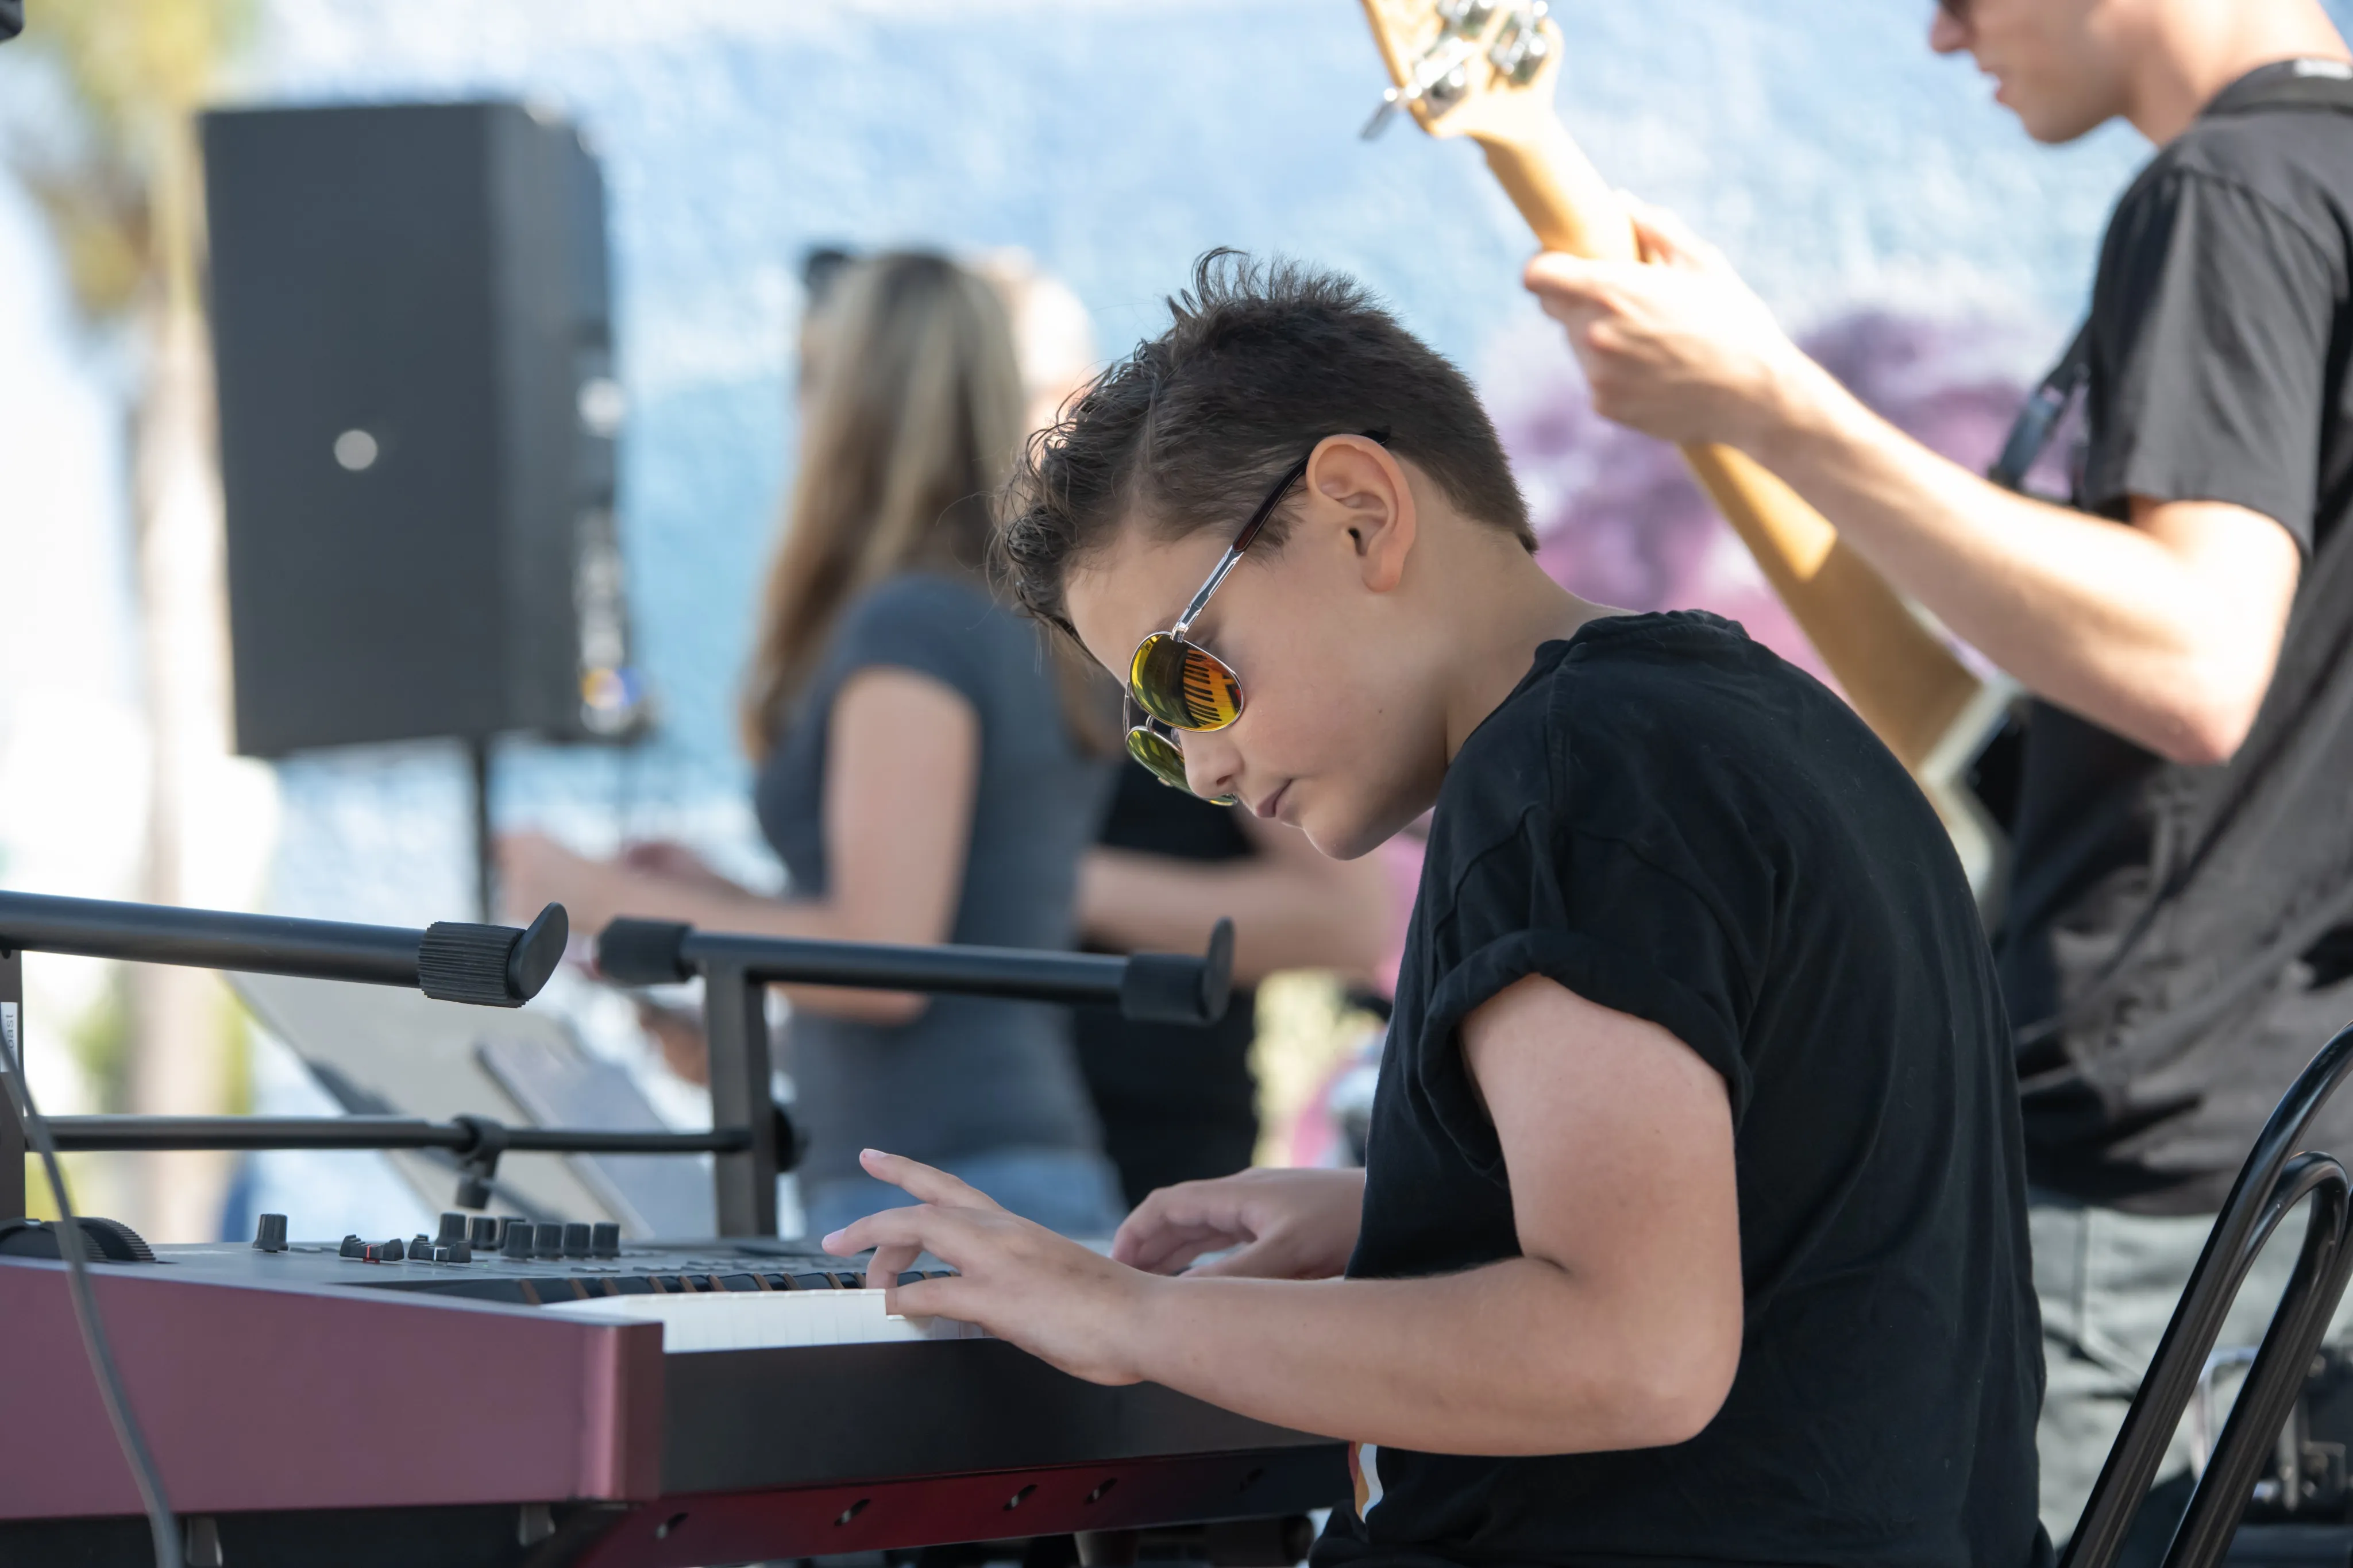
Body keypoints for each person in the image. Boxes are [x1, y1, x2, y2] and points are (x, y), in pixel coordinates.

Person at [822, 253, 2046, 1568]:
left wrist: (1126, 1319)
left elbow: (1631, 1353)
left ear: (1359, 513)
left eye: (1189, 676)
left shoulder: (1565, 782)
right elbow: (1801, 1219)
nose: (1205, 764)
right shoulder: (1750, 727)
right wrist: (1401, 1208)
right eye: (1153, 730)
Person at [1516, 0, 2353, 1542]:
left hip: (2155, 1180)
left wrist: (1777, 406)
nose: (1940, 33)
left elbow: (2188, 657)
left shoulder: (2226, 191)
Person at [500, 250, 1123, 1241]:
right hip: (982, 1172)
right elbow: (932, 936)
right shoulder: (997, 617)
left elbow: (885, 961)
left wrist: (591, 891)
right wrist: (722, 905)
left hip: (938, 1187)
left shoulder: (913, 625)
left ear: (846, 402)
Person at [1074, 762, 1393, 1206]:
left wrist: (1056, 886)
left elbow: (1351, 921)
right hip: (1015, 1117)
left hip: (1160, 1146)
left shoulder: (1200, 728)